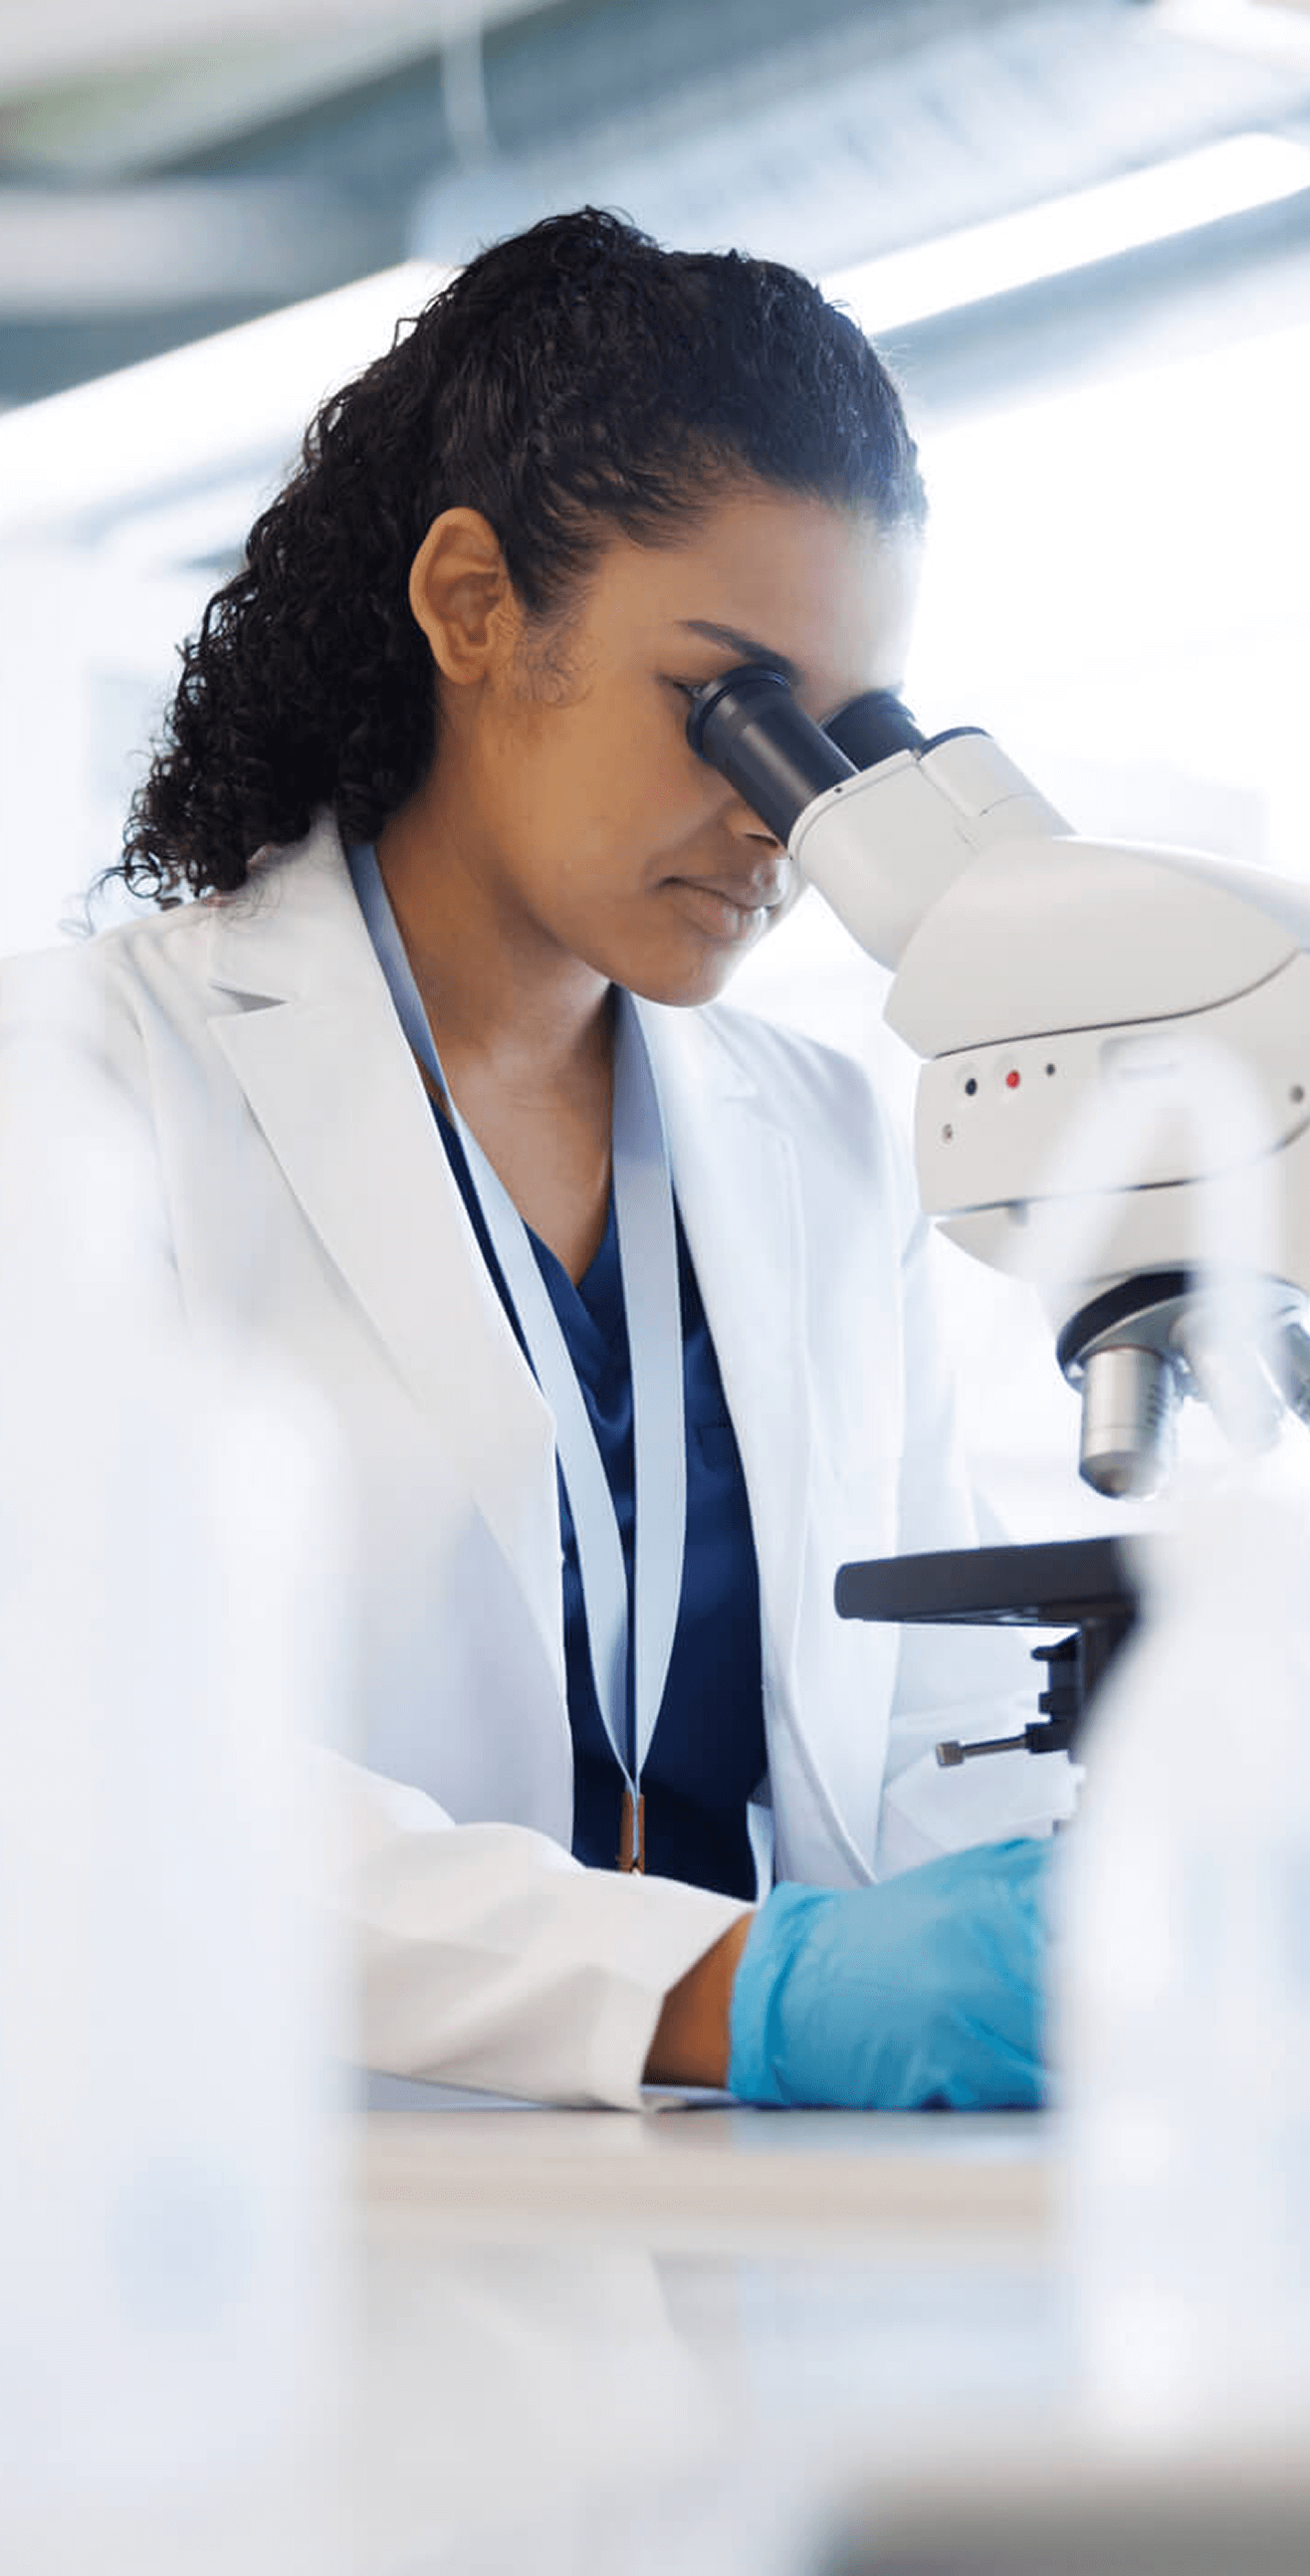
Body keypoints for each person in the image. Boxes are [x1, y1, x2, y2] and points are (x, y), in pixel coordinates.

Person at [11, 208, 1071, 2109]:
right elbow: (89, 1757)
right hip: (292, 2227)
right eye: (724, 708)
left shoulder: (827, 1141)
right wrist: (735, 1988)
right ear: (476, 608)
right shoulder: (85, 1085)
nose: (784, 825)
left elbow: (936, 1737)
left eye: (838, 746)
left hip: (753, 2246)